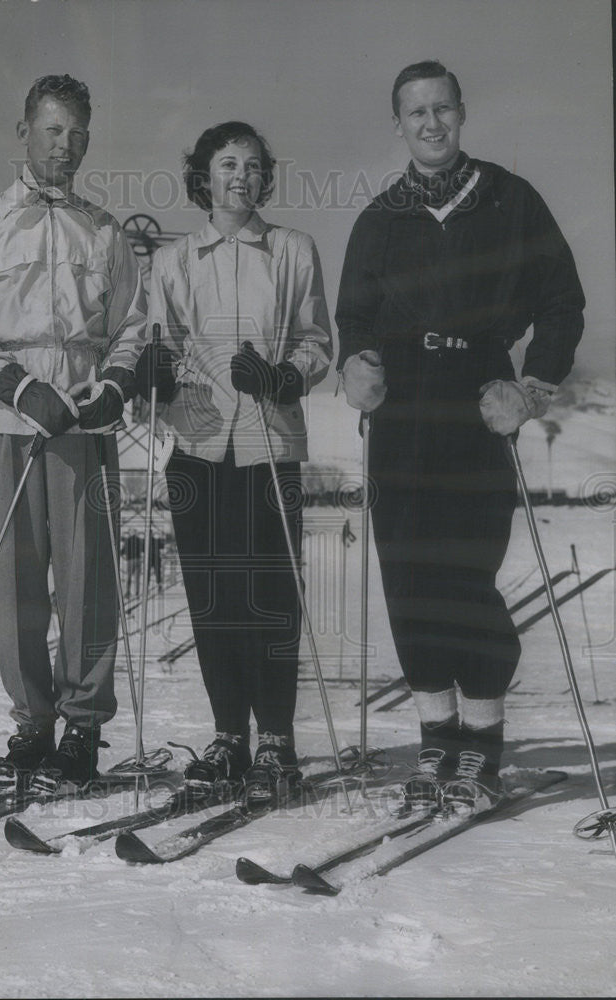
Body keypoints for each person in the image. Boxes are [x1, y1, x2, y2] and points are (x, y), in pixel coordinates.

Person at [336, 61, 584, 813]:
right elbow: (353, 318)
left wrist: (529, 387)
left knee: (465, 574)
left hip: (478, 397)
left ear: (461, 112)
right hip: (402, 406)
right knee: (407, 575)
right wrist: (355, 364)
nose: (431, 123)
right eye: (415, 112)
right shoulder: (379, 218)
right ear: (398, 123)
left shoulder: (509, 199)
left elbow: (561, 301)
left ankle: (482, 746)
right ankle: (435, 739)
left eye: (442, 109)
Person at [0, 74, 147, 791]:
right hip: (7, 424)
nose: (67, 145)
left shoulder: (105, 230)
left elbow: (130, 329)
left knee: (88, 576)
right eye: (54, 130)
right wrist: (21, 388)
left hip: (83, 422)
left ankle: (83, 725)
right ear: (23, 131)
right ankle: (33, 723)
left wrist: (116, 384)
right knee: (19, 577)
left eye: (79, 133)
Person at [142, 121, 333, 802]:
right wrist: (156, 374)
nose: (240, 177)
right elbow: (156, 344)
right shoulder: (172, 260)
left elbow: (317, 340)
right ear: (203, 175)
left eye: (252, 166)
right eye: (226, 165)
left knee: (272, 592)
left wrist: (284, 376)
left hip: (268, 440)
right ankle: (228, 735)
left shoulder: (290, 250)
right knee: (213, 593)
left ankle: (275, 736)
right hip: (196, 443)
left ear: (264, 178)